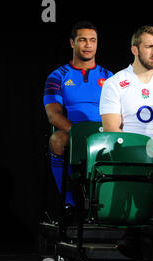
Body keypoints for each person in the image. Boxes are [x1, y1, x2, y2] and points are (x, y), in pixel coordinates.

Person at [43, 21, 113, 208]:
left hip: (104, 133)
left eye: (93, 40)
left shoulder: (110, 77)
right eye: (82, 40)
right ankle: (69, 204)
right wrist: (79, 134)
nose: (88, 45)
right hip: (73, 133)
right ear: (72, 43)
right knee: (56, 140)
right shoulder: (57, 76)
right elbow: (53, 115)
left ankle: (108, 205)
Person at [99, 26, 153, 146]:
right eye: (149, 47)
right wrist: (142, 152)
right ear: (135, 50)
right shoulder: (113, 84)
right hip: (127, 155)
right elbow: (111, 130)